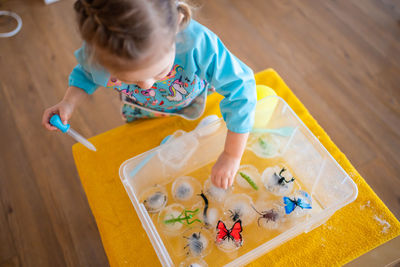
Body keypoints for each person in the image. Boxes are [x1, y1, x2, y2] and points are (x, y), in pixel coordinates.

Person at [42, 0, 257, 189]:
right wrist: (68, 103)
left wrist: (231, 154)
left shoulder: (197, 43)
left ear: (177, 25)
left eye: (160, 72)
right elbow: (86, 75)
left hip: (194, 103)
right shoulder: (97, 55)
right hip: (141, 111)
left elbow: (241, 88)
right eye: (128, 79)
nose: (146, 86)